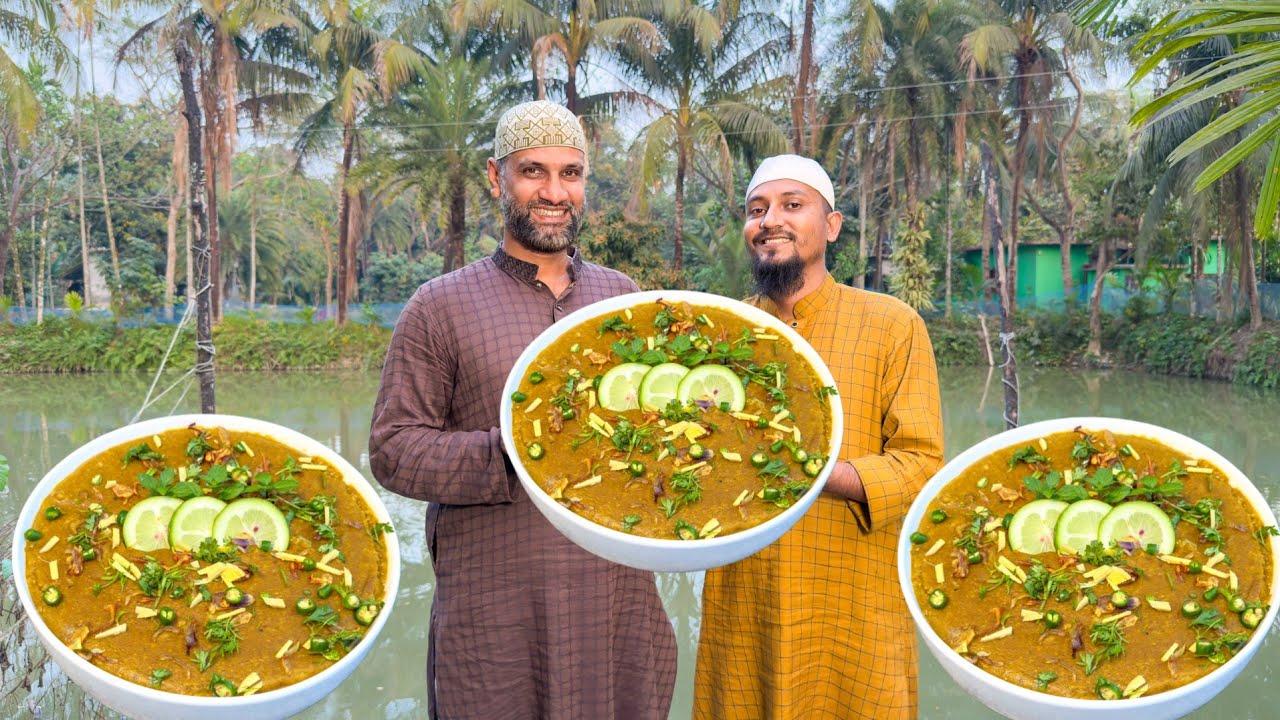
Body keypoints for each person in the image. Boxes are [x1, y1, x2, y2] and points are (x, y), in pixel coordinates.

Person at [369, 100, 677, 720]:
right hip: (495, 605)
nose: (555, 192)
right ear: (496, 177)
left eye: (571, 173)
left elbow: (659, 429)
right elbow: (393, 449)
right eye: (533, 171)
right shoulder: (440, 305)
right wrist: (518, 448)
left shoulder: (622, 298)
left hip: (615, 599)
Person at [693, 155, 944, 719]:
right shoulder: (722, 330)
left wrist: (813, 474)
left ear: (831, 226)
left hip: (853, 599)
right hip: (744, 594)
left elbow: (922, 466)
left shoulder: (892, 324)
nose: (770, 221)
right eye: (757, 209)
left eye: (792, 205)